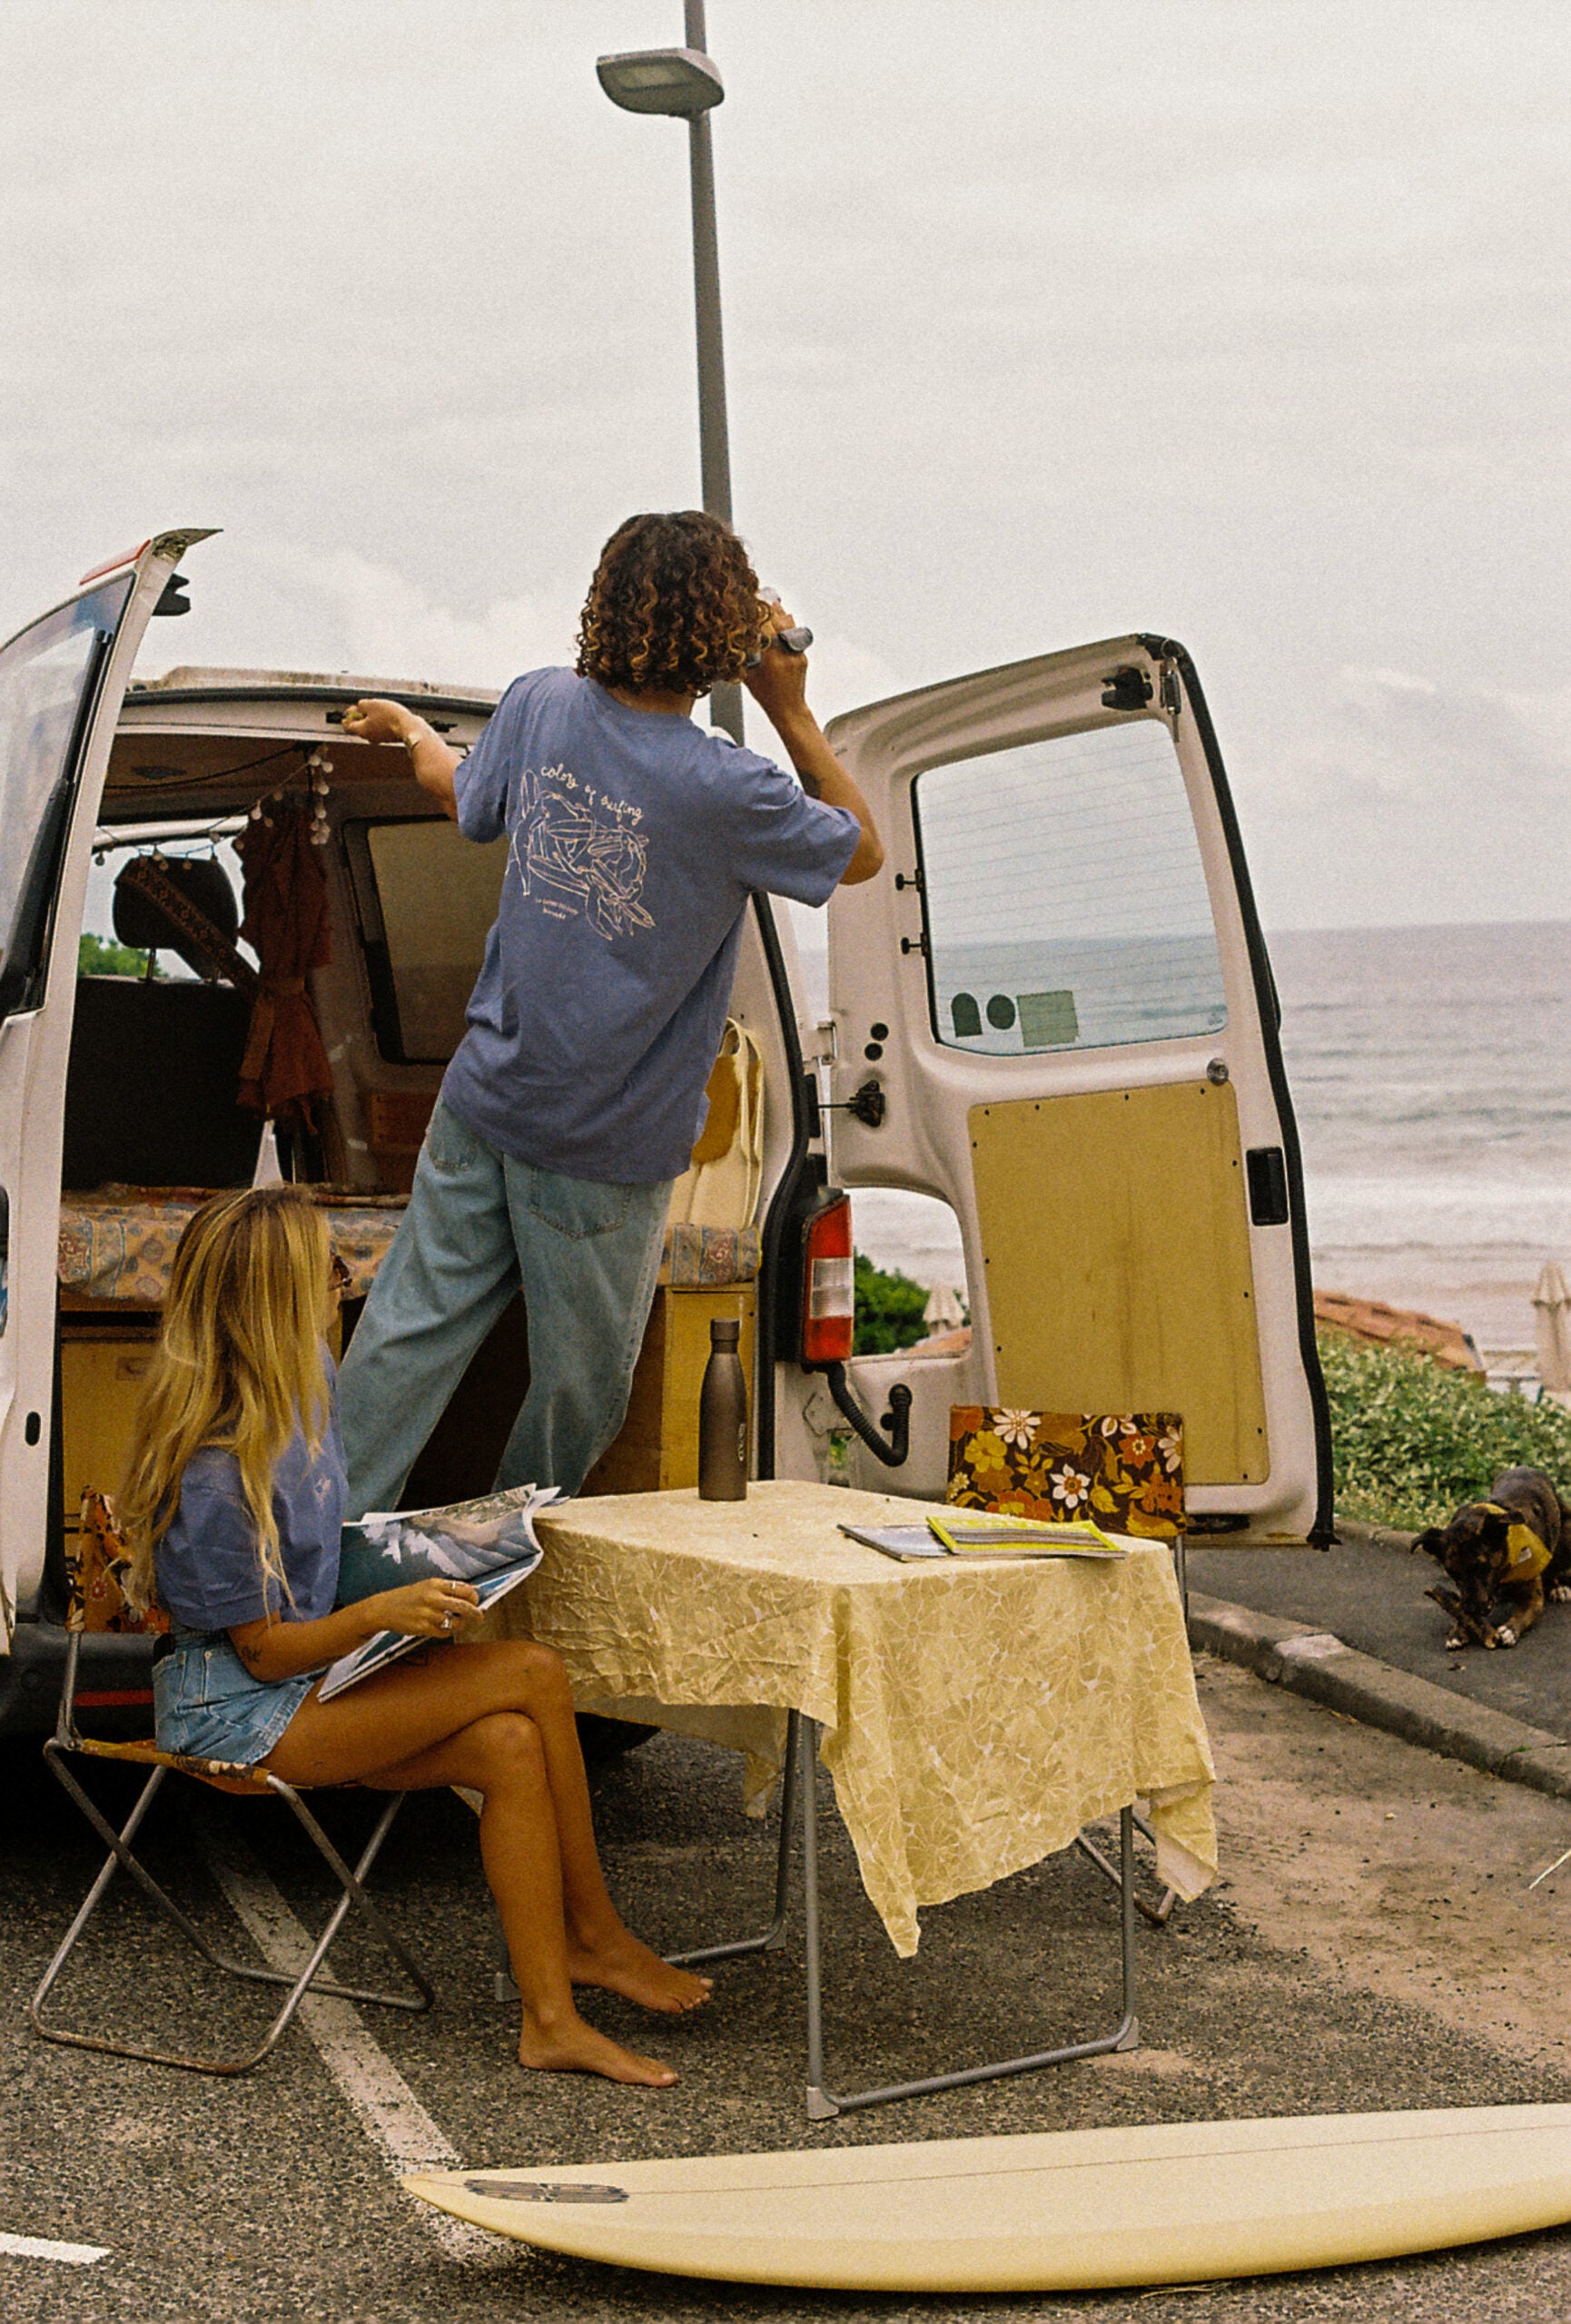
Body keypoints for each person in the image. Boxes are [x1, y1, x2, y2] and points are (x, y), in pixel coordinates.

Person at [333, 510, 882, 1516]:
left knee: (402, 1341)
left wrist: (410, 730)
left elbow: (460, 795)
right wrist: (789, 706)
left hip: (483, 1102)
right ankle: (487, 1569)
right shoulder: (729, 787)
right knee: (579, 1394)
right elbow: (858, 852)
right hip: (599, 1148)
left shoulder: (541, 704)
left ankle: (305, 1571)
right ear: (723, 636)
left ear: (606, 600)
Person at [120, 1184, 711, 2087]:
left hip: (291, 1688)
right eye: (328, 1270)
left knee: (510, 1744)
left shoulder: (298, 1412)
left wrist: (440, 1547)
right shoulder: (216, 1470)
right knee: (534, 1674)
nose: (341, 1287)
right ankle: (595, 1934)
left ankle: (550, 2017)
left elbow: (321, 1570)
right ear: (277, 1302)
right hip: (236, 1712)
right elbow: (262, 1649)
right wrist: (378, 1616)